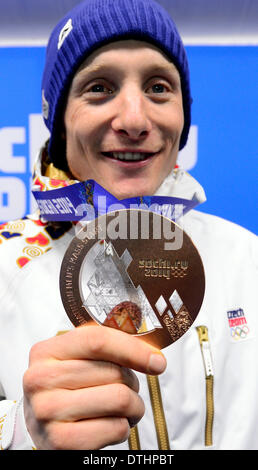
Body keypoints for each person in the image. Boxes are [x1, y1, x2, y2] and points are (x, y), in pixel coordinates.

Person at [0, 0, 257, 451]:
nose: (136, 120)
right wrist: (23, 434)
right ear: (59, 122)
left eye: (159, 87)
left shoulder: (247, 259)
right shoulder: (5, 267)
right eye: (99, 88)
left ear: (183, 117)